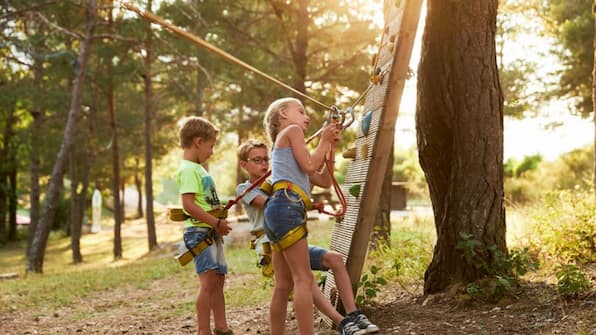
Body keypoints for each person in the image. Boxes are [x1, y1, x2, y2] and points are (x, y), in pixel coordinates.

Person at [236, 139, 379, 335]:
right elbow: (273, 205)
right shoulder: (245, 188)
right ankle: (342, 323)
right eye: (256, 160)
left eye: (265, 159)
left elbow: (325, 181)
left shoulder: (279, 179)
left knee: (334, 259)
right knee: (302, 281)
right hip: (271, 246)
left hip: (291, 240)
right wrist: (305, 200)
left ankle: (353, 314)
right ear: (244, 165)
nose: (263, 164)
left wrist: (329, 150)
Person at [176, 116, 234, 335]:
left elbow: (202, 202)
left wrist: (218, 211)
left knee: (218, 279)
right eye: (211, 146)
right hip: (200, 232)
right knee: (208, 282)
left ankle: (221, 327)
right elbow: (189, 205)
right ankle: (203, 331)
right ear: (198, 141)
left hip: (210, 230)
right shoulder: (189, 169)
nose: (212, 151)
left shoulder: (198, 169)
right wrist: (216, 222)